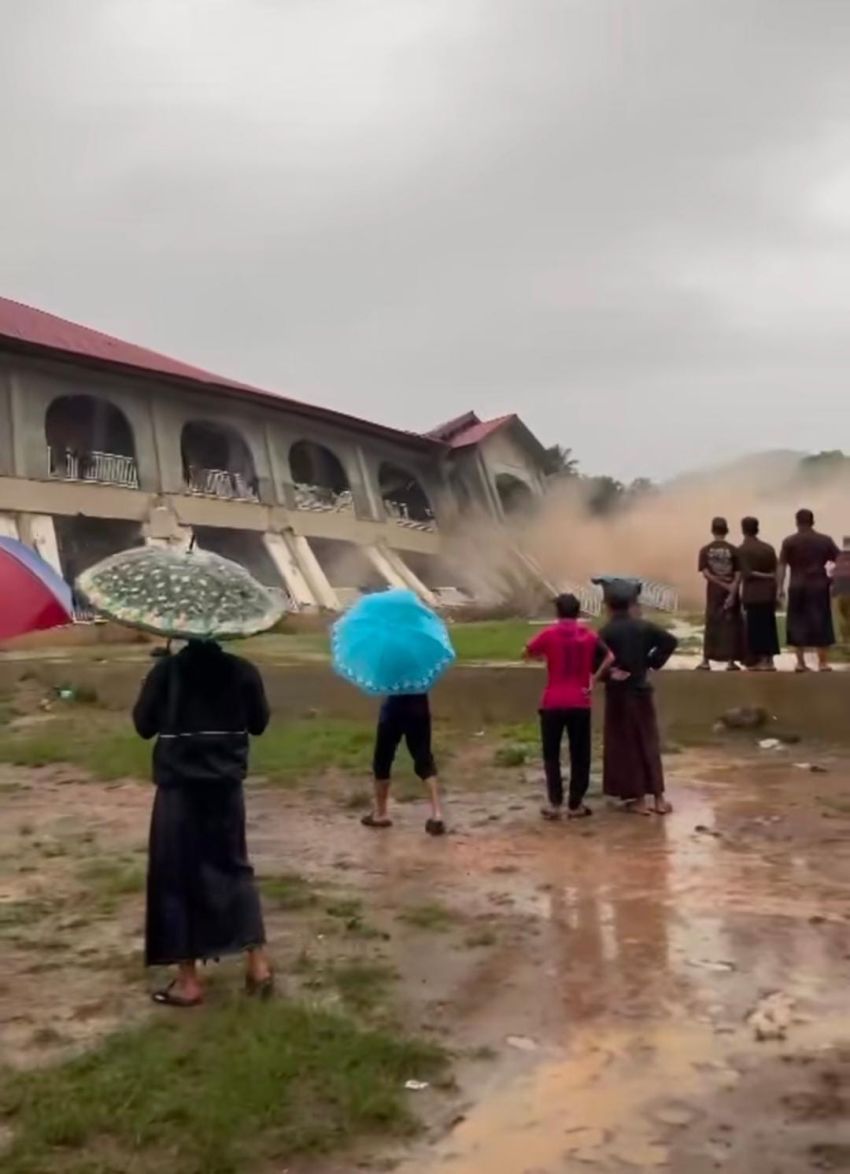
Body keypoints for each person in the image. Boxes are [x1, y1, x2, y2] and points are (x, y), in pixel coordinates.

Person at [133, 640, 273, 1007]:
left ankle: (188, 981)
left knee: (176, 879)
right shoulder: (243, 671)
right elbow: (259, 723)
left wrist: (157, 680)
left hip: (179, 790)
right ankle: (258, 966)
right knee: (235, 870)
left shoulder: (167, 672)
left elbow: (142, 725)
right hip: (226, 788)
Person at [524, 594, 614, 821]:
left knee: (551, 754)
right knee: (580, 754)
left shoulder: (548, 634)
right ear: (578, 611)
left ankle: (555, 804)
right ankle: (576, 804)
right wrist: (593, 680)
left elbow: (526, 652)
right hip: (580, 701)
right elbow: (610, 657)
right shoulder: (588, 634)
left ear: (558, 612)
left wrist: (543, 659)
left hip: (553, 701)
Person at [599, 581, 678, 815]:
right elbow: (670, 641)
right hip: (642, 690)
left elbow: (595, 661)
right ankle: (659, 799)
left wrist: (609, 674)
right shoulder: (644, 627)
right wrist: (652, 662)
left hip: (619, 695)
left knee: (626, 745)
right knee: (648, 742)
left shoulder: (606, 632)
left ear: (609, 606)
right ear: (631, 604)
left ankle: (638, 800)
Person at [362, 692, 445, 836]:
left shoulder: (389, 669)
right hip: (419, 706)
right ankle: (437, 814)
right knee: (424, 760)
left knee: (382, 760)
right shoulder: (420, 670)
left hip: (392, 708)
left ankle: (381, 814)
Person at [778, 509, 839, 672]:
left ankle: (800, 663)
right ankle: (823, 663)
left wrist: (779, 588)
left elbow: (782, 566)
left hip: (797, 585)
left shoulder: (789, 541)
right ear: (813, 521)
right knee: (821, 621)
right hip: (819, 585)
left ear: (797, 522)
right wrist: (833, 579)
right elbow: (840, 560)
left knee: (797, 622)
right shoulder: (824, 540)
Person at [697, 518, 743, 671]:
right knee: (731, 625)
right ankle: (730, 662)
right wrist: (732, 591)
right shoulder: (734, 550)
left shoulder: (705, 550)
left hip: (713, 592)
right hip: (731, 590)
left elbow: (706, 573)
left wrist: (721, 584)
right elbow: (738, 574)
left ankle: (705, 661)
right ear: (726, 531)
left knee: (711, 623)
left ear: (712, 530)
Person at [737, 516, 780, 671]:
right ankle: (769, 661)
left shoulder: (742, 549)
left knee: (754, 628)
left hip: (752, 594)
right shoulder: (768, 548)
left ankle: (757, 661)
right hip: (768, 592)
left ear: (743, 530)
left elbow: (747, 574)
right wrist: (775, 586)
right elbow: (777, 569)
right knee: (769, 626)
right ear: (757, 528)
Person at [832, 537, 850, 646]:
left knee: (841, 616)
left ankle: (845, 640)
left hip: (838, 590)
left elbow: (829, 574)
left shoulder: (836, 557)